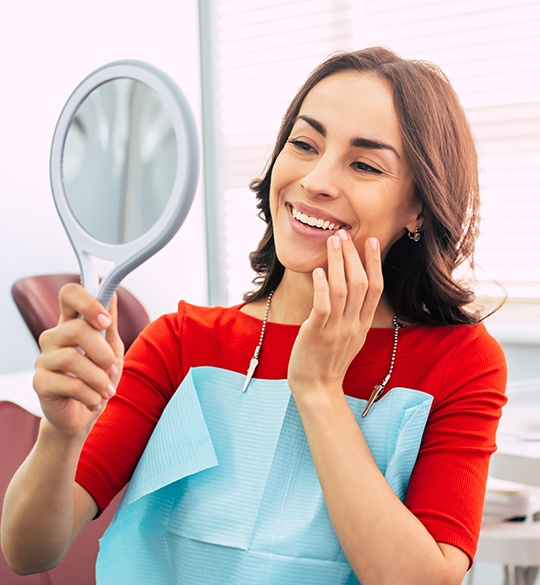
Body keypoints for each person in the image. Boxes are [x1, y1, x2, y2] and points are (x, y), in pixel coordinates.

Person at [1, 47, 507, 585]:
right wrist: (58, 435)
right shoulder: (181, 343)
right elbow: (30, 552)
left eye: (364, 164)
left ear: (419, 208)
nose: (316, 180)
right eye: (304, 144)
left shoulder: (462, 363)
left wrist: (317, 388)